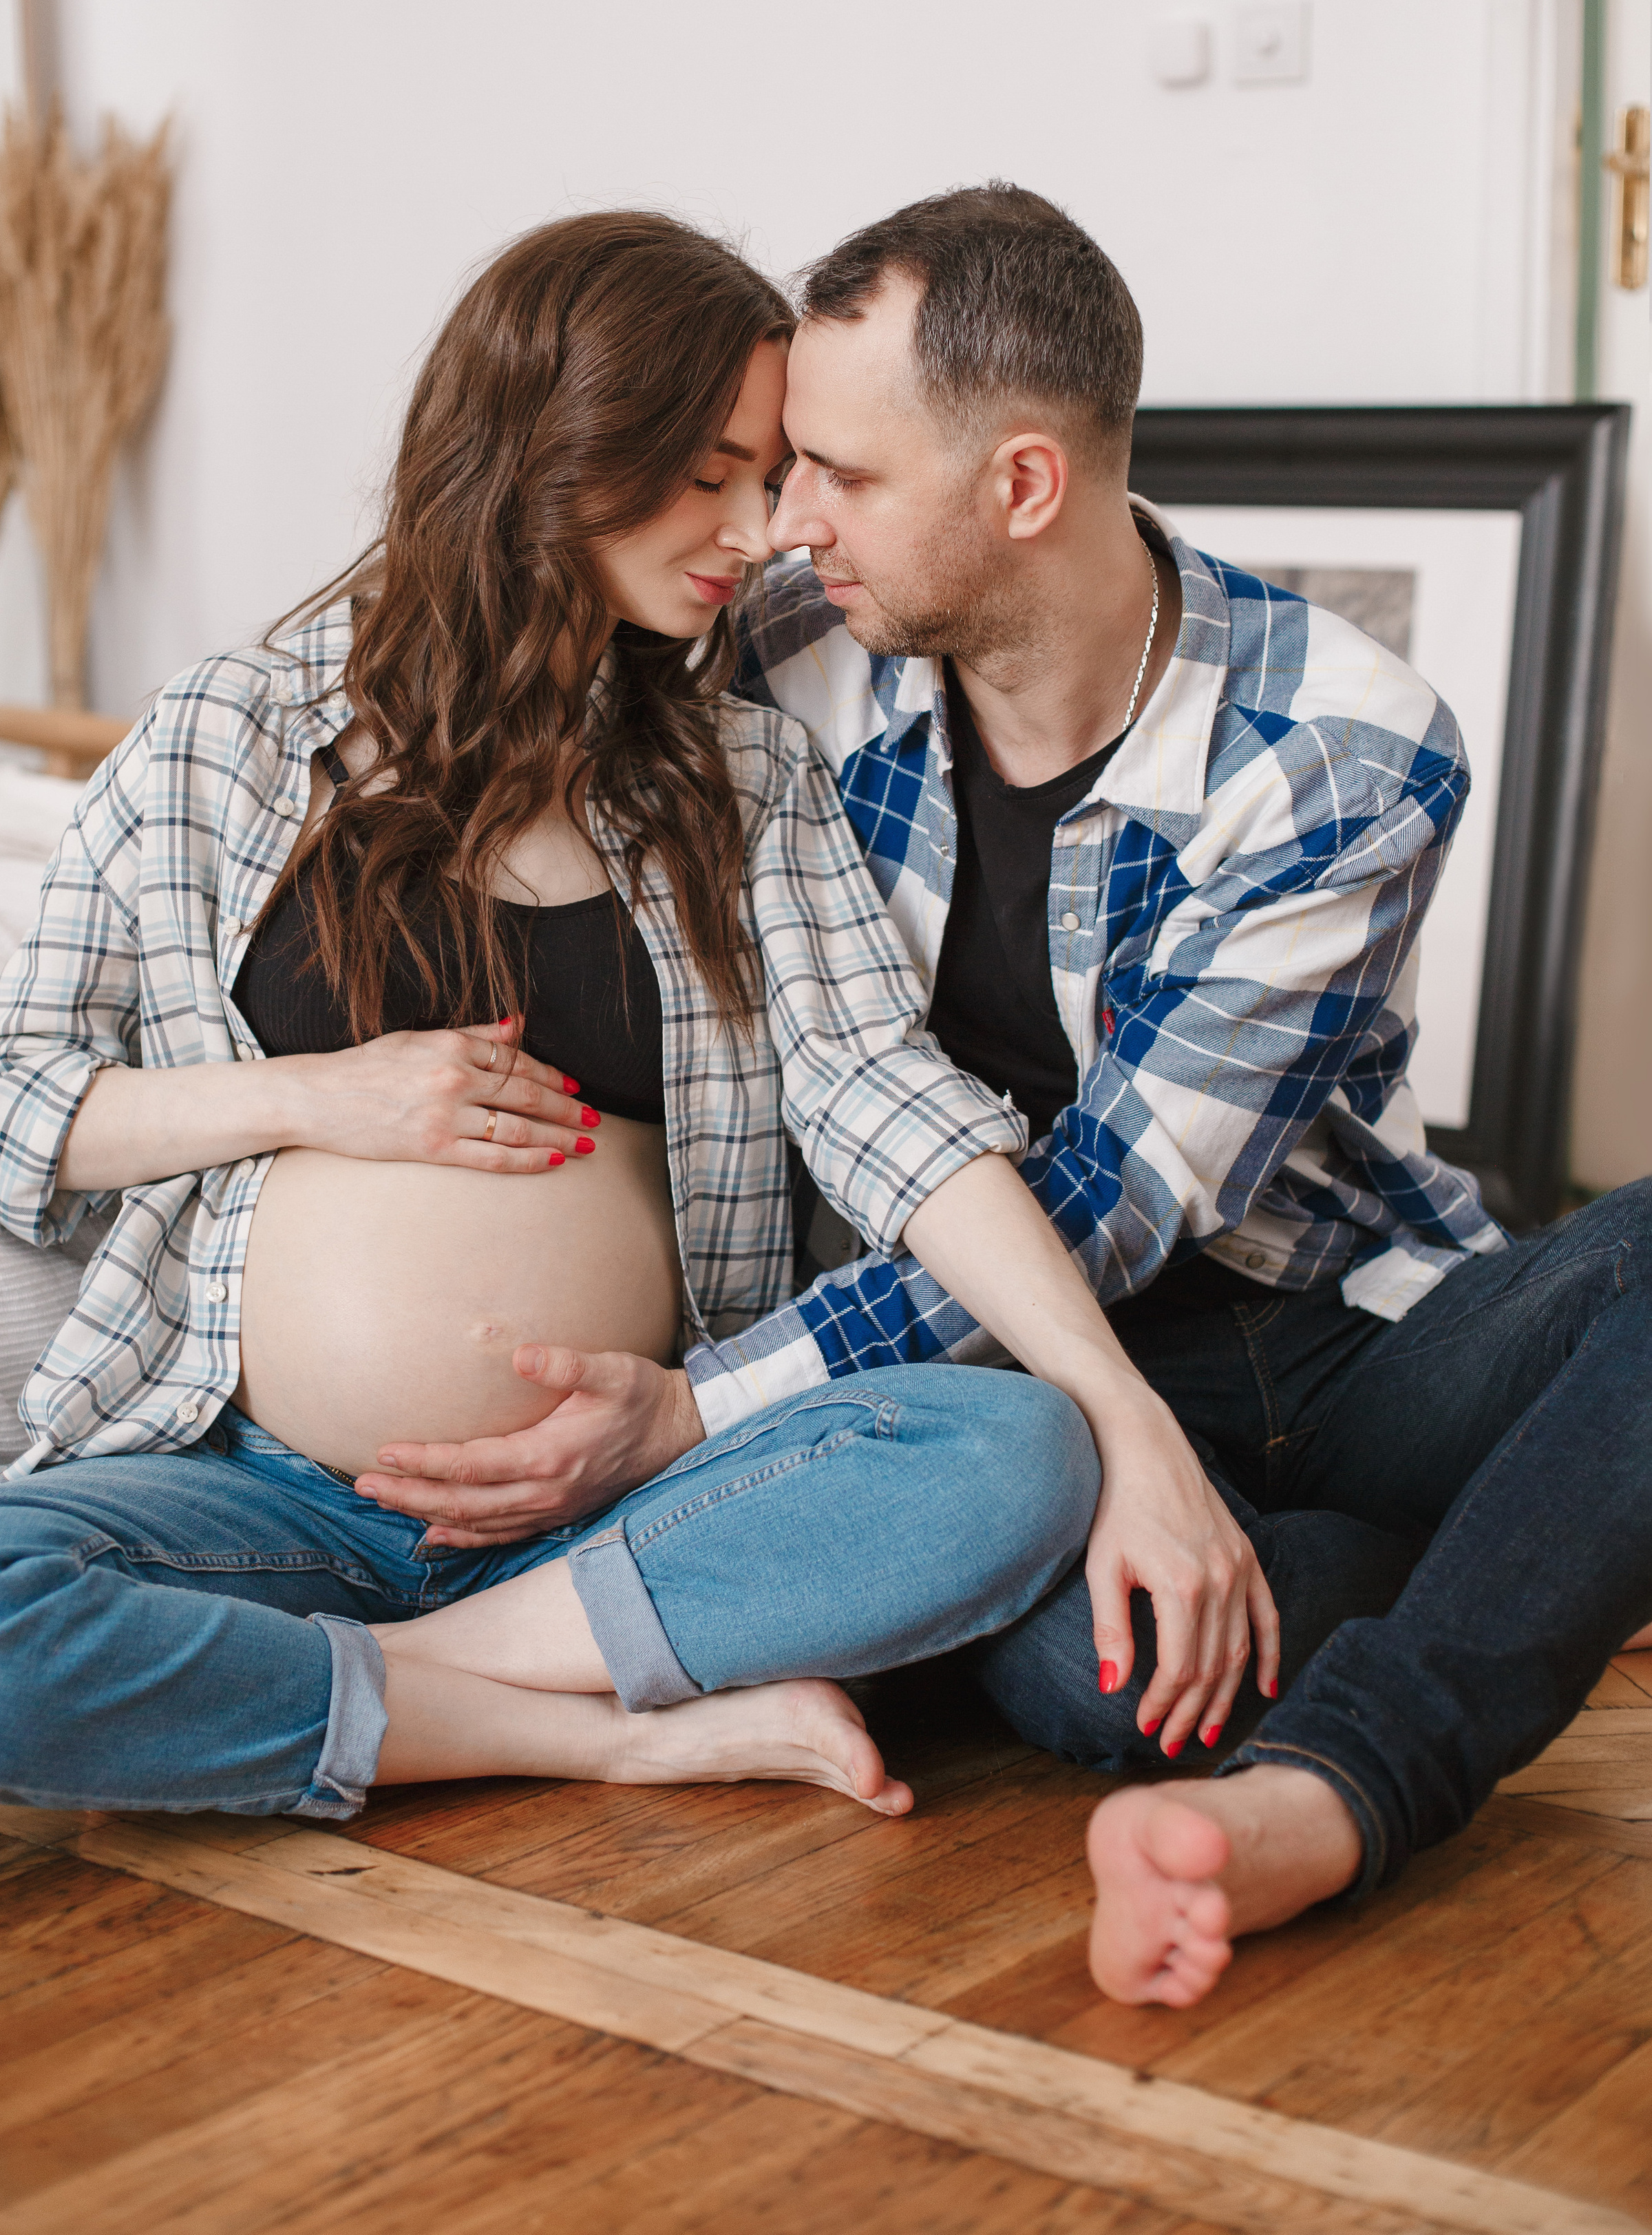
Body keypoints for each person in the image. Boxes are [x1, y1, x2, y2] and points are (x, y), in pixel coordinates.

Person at [399, 184, 1651, 2001]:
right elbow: (483, 678)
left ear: (1025, 486)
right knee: (1107, 1680)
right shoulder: (773, 651)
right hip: (1004, 1402)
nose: (778, 516)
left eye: (836, 470)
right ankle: (1518, 1558)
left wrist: (700, 1411)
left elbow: (1119, 1198)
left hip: (1339, 1331)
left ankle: (1348, 1779)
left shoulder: (1346, 744)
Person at [0, 207, 1265, 1827]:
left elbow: (887, 1106)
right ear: (553, 445)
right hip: (265, 1494)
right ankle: (573, 1722)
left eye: (770, 481)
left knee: (1013, 1453)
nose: (756, 532)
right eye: (712, 474)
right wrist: (312, 1098)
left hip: (627, 1503)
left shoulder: (744, 778)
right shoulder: (228, 740)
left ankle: (427, 1672)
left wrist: (1122, 1412)